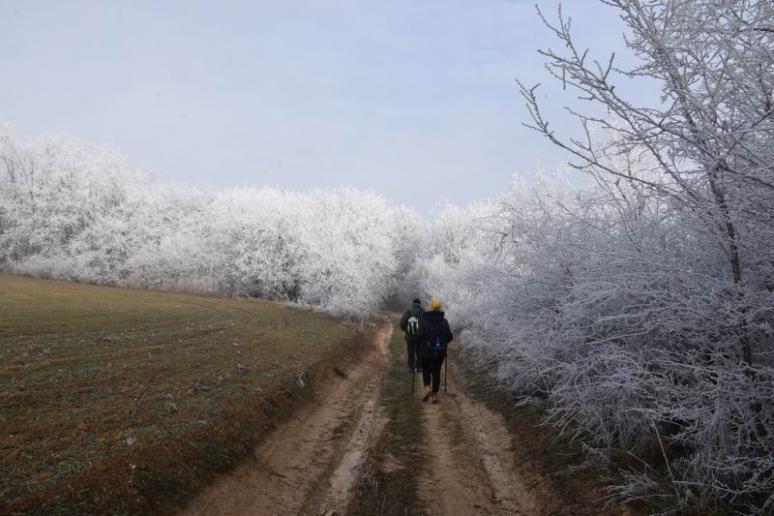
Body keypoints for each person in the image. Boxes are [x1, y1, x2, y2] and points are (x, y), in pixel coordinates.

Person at [418, 299, 453, 403]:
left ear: (430, 307)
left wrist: (418, 346)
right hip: (439, 352)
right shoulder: (444, 321)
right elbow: (449, 337)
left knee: (426, 370)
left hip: (426, 351)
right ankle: (435, 395)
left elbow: (419, 336)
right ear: (440, 308)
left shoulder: (424, 320)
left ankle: (427, 387)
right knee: (436, 372)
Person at [399, 298, 424, 372]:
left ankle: (411, 368)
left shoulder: (408, 311)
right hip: (420, 336)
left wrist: (406, 330)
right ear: (420, 304)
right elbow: (426, 324)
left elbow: (402, 323)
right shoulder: (423, 312)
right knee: (419, 352)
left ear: (413, 304)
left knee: (411, 352)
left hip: (410, 336)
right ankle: (419, 367)